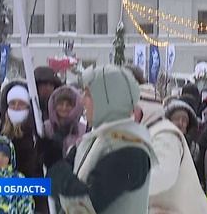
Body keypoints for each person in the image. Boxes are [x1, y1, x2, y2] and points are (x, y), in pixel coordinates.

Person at [48, 65, 156, 214]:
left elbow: (86, 205)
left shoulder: (130, 149)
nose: (82, 101)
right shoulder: (96, 138)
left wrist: (55, 167)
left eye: (88, 95)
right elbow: (57, 181)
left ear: (108, 99)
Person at [135, 90, 207, 213]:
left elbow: (163, 175)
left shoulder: (165, 134)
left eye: (133, 108)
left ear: (145, 109)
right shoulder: (148, 133)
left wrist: (125, 186)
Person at [0, 81, 46, 212]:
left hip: (30, 200)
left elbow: (43, 168)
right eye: (13, 103)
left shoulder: (38, 131)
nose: (16, 107)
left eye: (21, 103)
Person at [42, 86, 86, 168]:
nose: (64, 108)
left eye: (69, 105)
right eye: (60, 104)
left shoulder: (82, 129)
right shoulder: (46, 127)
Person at [165, 99, 202, 167]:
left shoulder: (193, 148)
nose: (180, 123)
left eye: (184, 120)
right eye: (176, 119)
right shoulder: (159, 141)